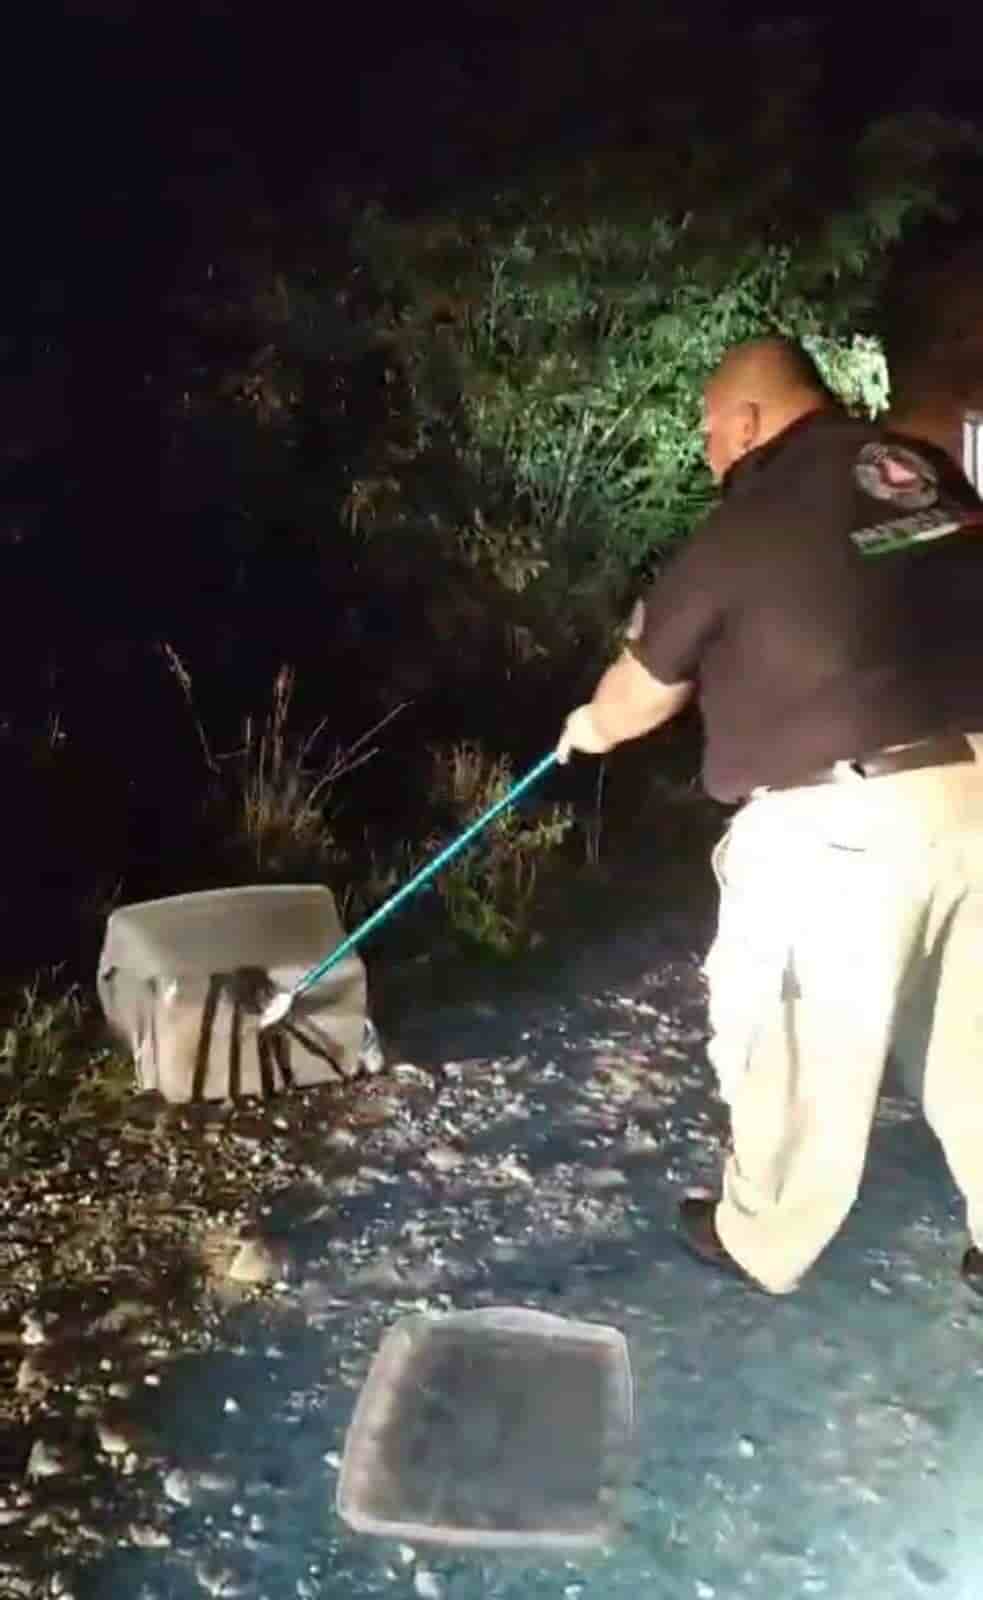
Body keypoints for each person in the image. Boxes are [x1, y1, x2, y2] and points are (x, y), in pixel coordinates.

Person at [557, 336, 983, 1297]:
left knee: (789, 1036)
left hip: (844, 825)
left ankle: (761, 1236)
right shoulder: (923, 477)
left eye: (709, 429)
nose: (707, 451)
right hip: (976, 790)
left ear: (747, 421)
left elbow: (642, 694)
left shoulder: (750, 520)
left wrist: (587, 727)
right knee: (972, 1037)